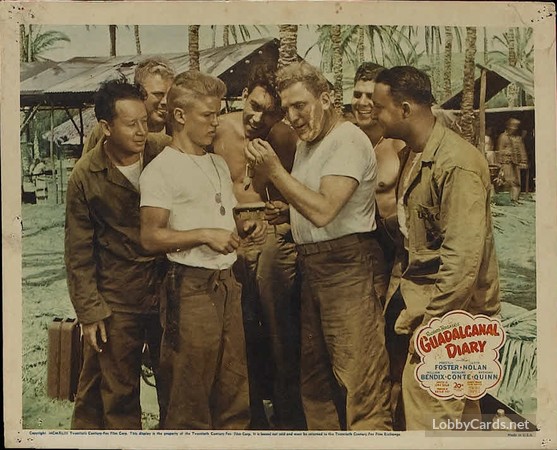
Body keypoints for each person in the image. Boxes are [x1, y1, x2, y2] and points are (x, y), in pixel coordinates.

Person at [245, 61, 392, 431]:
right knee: (316, 387)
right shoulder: (311, 143)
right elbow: (314, 202)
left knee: (361, 389)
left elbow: (325, 210)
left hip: (347, 269)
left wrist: (274, 170)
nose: (293, 117)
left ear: (326, 99)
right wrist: (289, 213)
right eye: (287, 109)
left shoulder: (347, 140)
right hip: (312, 268)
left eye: (301, 106)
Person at [371, 66, 501, 430]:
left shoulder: (456, 163)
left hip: (451, 314)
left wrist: (431, 326)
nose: (375, 115)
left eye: (380, 108)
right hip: (434, 307)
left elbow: (462, 261)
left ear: (405, 109)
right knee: (462, 418)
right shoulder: (416, 154)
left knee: (429, 421)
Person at [138, 70, 266, 430]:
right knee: (189, 397)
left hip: (227, 286)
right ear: (180, 116)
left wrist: (242, 227)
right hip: (190, 290)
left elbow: (219, 218)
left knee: (233, 394)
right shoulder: (161, 170)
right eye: (207, 115)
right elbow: (150, 237)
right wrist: (204, 235)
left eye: (218, 113)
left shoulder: (217, 163)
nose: (216, 122)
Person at [65, 79, 169, 429]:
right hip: (118, 299)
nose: (142, 131)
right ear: (106, 127)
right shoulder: (85, 176)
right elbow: (78, 252)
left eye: (144, 121)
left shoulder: (163, 152)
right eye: (131, 124)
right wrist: (90, 312)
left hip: (168, 290)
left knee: (175, 384)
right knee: (119, 395)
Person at [212, 64, 305, 430]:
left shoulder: (283, 138)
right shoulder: (217, 130)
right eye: (254, 106)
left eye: (269, 113)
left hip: (268, 239)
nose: (258, 118)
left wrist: (283, 211)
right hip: (227, 241)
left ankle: (289, 417)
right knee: (238, 333)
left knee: (280, 333)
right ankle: (247, 418)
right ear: (243, 95)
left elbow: (299, 190)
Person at [351, 62, 407, 429]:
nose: (362, 102)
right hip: (362, 249)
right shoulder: (346, 140)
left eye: (370, 96)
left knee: (396, 331)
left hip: (398, 248)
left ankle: (397, 418)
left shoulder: (398, 143)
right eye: (357, 94)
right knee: (368, 336)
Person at [82, 56, 175, 155]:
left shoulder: (179, 132)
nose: (165, 101)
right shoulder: (107, 129)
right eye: (158, 94)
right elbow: (87, 163)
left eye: (170, 94)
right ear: (141, 93)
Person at [495, 117, 529, 204]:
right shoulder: (503, 137)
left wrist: (524, 161)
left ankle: (515, 199)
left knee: (517, 181)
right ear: (508, 126)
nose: (515, 128)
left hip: (516, 162)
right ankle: (507, 199)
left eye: (516, 126)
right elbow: (499, 150)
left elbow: (522, 150)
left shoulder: (517, 138)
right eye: (513, 126)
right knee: (507, 181)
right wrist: (499, 163)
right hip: (506, 162)